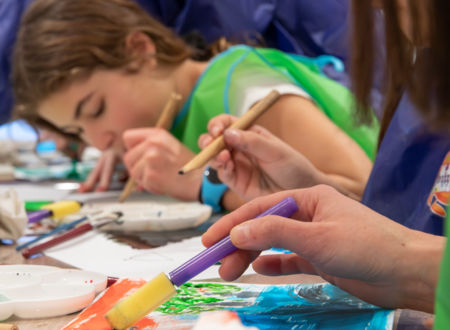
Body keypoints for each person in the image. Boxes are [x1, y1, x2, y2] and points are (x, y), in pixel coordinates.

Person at [200, 0, 449, 323]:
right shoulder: (429, 66)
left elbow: (412, 248)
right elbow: (417, 224)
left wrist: (406, 261)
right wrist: (315, 195)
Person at [11, 0, 378, 211]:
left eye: (94, 110)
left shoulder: (242, 84)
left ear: (140, 49)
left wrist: (203, 188)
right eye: (77, 132)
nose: (98, 140)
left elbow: (367, 199)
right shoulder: (170, 115)